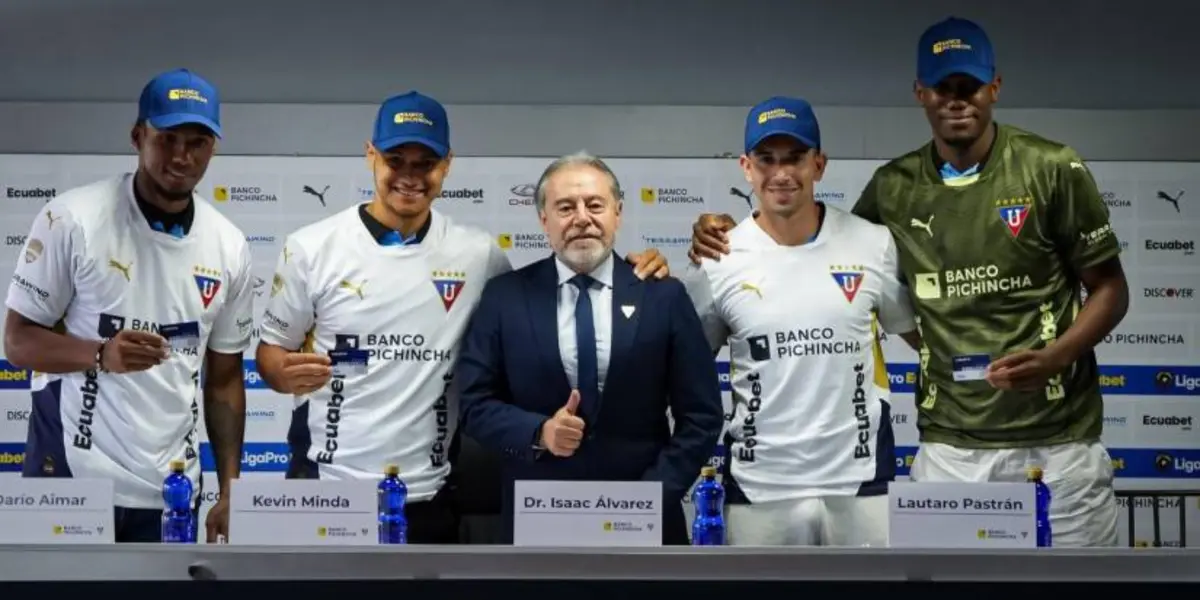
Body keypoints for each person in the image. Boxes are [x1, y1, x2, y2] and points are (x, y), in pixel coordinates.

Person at [685, 17, 1129, 547]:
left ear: (995, 86)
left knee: (1072, 585)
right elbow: (816, 258)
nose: (957, 100)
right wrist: (720, 233)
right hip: (948, 446)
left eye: (969, 86)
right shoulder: (892, 188)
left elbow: (1111, 287)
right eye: (943, 87)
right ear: (921, 93)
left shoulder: (1051, 166)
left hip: (1060, 440)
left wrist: (1057, 356)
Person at [255, 94, 670, 544]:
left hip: (429, 492)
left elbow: (543, 310)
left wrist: (629, 274)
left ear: (447, 164)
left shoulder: (478, 255)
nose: (410, 176)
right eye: (395, 161)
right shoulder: (311, 247)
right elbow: (270, 354)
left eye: (426, 163)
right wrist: (280, 372)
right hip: (326, 486)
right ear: (370, 155)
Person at [3, 68, 253, 543]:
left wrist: (230, 489)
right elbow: (17, 342)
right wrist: (101, 354)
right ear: (138, 136)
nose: (181, 156)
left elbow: (223, 380)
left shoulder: (229, 245)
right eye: (167, 138)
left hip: (170, 490)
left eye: (197, 142)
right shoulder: (73, 219)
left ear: (213, 148)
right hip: (70, 476)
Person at [681, 97, 917, 547]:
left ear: (819, 164)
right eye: (767, 160)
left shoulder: (873, 243)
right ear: (746, 168)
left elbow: (920, 335)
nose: (782, 173)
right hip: (759, 488)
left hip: (860, 481)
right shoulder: (717, 257)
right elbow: (685, 366)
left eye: (795, 158)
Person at [455, 151, 724, 545]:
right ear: (544, 220)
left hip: (644, 521)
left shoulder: (663, 296)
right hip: (540, 521)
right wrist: (539, 432)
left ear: (618, 213)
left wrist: (650, 497)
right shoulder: (504, 297)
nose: (582, 218)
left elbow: (702, 416)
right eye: (565, 207)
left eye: (594, 205)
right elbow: (474, 404)